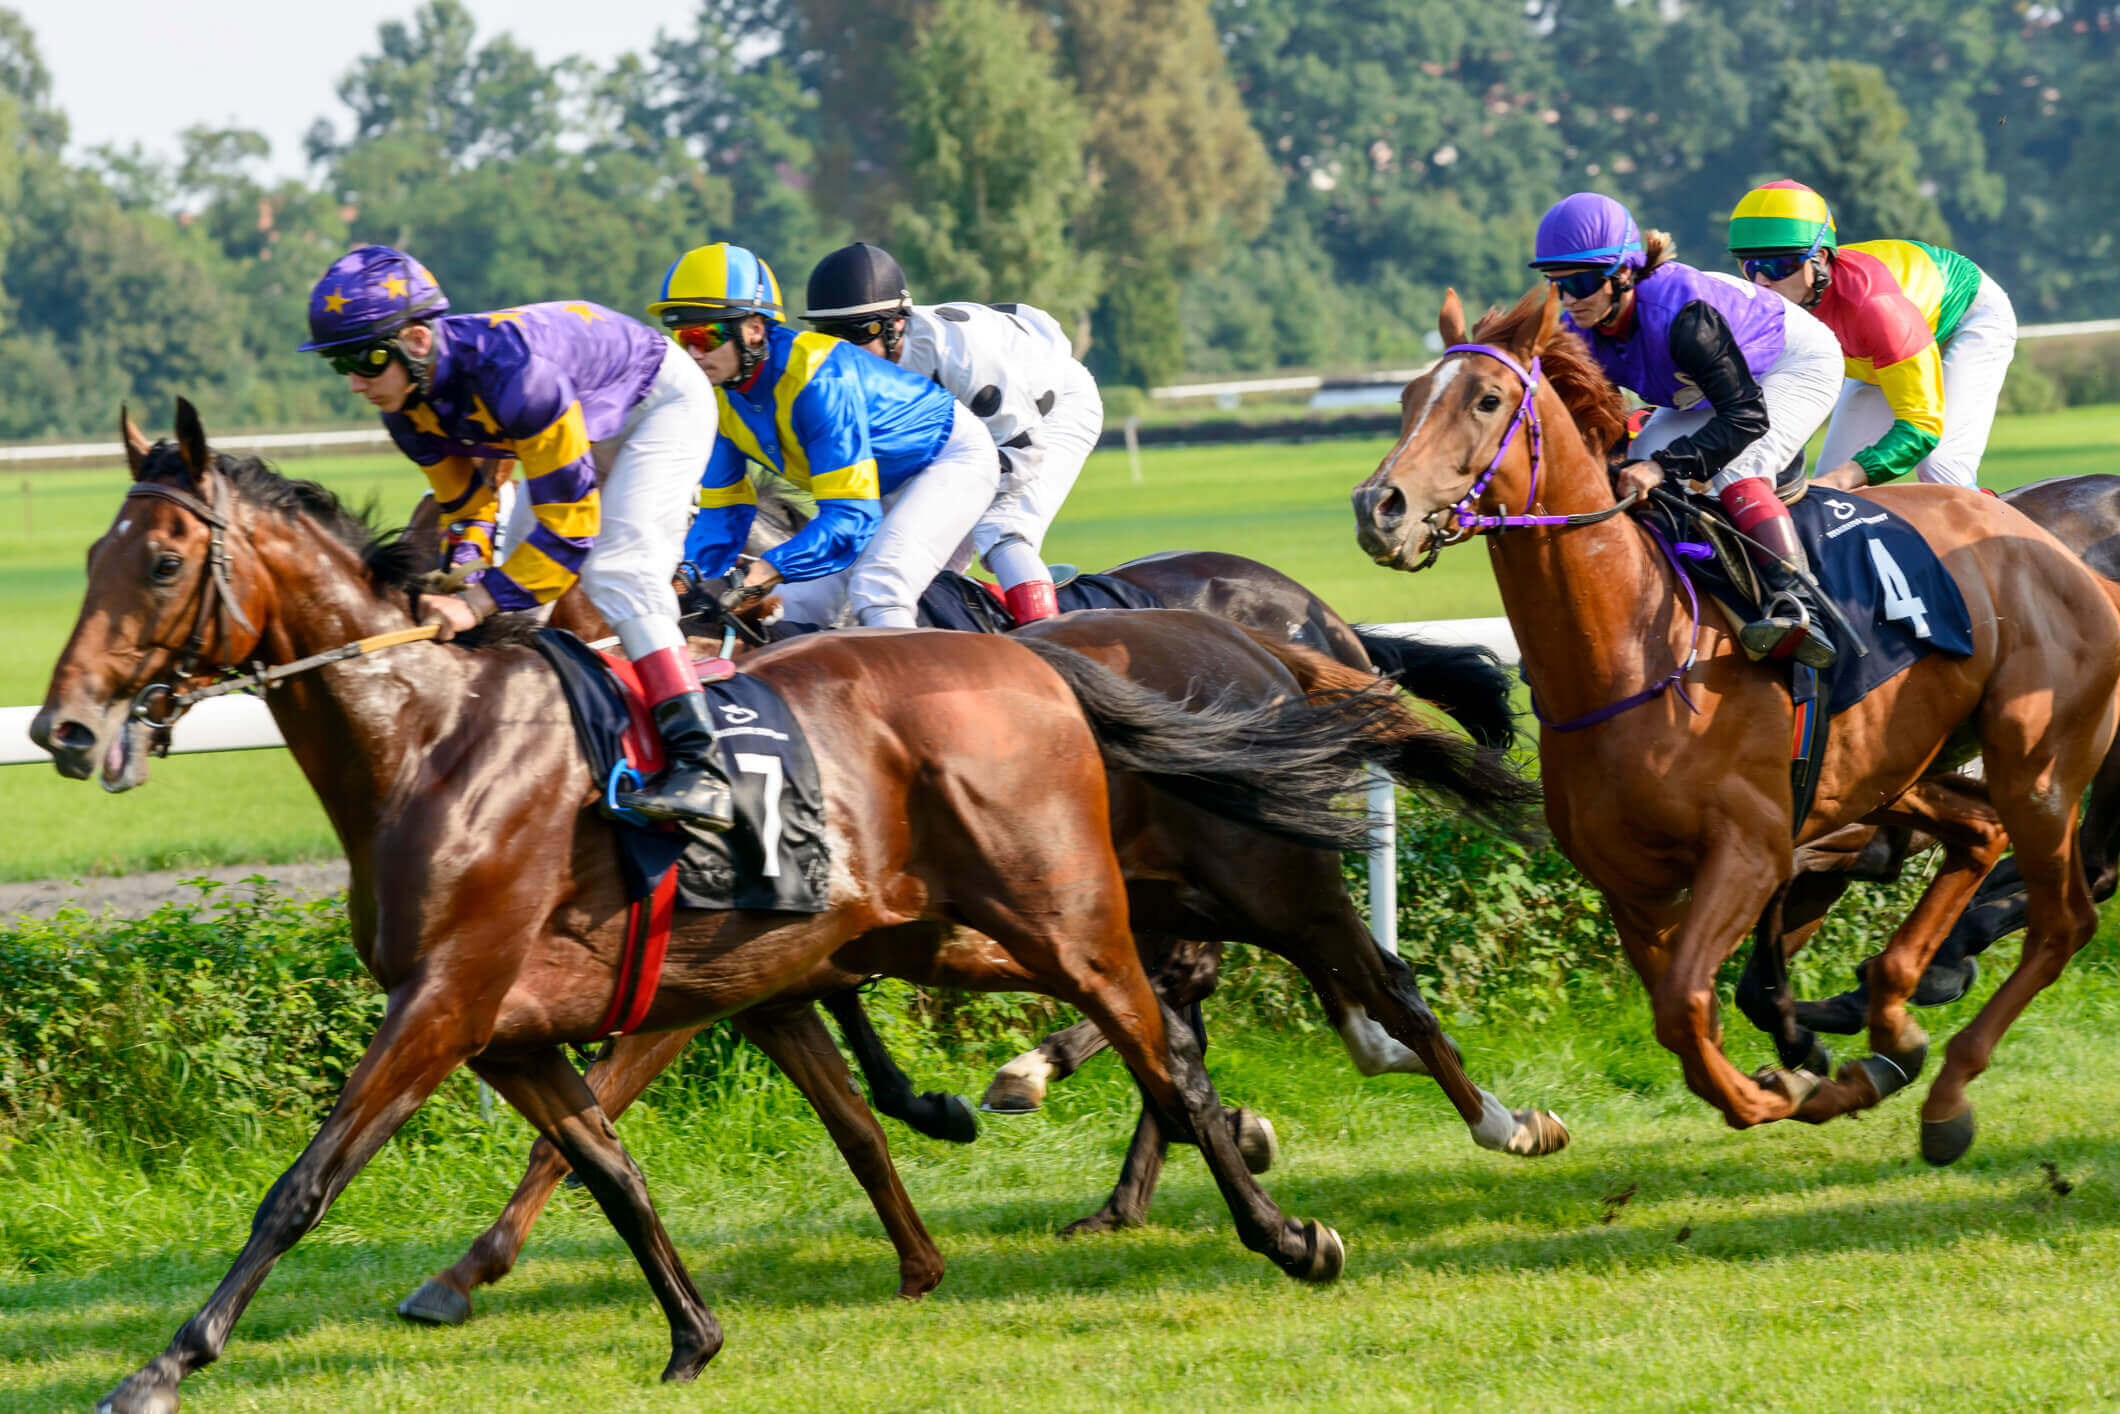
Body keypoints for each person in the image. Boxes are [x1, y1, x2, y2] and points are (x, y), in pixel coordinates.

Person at [298, 244, 735, 831]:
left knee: (619, 570)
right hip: (583, 415)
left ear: (418, 340)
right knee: (519, 610)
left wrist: (476, 602)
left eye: (366, 359)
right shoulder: (404, 408)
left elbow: (569, 534)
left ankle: (702, 765)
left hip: (659, 402)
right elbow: (468, 505)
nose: (356, 382)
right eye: (340, 364)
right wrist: (467, 573)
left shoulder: (519, 378)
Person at [1528, 192, 1846, 668]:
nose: (1571, 299)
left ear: (1623, 274)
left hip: (1794, 363)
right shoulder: (1580, 330)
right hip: (1704, 386)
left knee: (1736, 467)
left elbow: (1746, 416)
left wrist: (1663, 466)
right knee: (1633, 474)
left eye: (1582, 282)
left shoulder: (1684, 319)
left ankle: (1799, 606)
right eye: (1558, 285)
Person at [658, 243, 1001, 629]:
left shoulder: (818, 381)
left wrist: (758, 575)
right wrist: (685, 580)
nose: (693, 353)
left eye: (705, 337)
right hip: (873, 484)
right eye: (683, 338)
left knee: (880, 586)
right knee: (789, 608)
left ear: (753, 329)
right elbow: (723, 513)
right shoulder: (718, 398)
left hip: (949, 459)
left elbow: (851, 517)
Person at [800, 242, 1100, 623]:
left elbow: (1022, 449)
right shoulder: (843, 378)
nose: (844, 352)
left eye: (858, 333)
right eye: (828, 336)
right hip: (972, 436)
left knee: (1001, 529)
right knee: (898, 549)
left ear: (896, 323)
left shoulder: (957, 354)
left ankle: (1047, 636)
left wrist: (946, 498)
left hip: (1048, 414)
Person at [1727, 179, 2018, 491]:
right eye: (1750, 266)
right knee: (1830, 486)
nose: (1762, 282)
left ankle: (1998, 520)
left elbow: (1921, 427)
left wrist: (1839, 480)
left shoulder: (1874, 306)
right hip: (1881, 353)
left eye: (1779, 265)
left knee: (1942, 470)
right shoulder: (1770, 310)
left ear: (1820, 258)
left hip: (1968, 319)